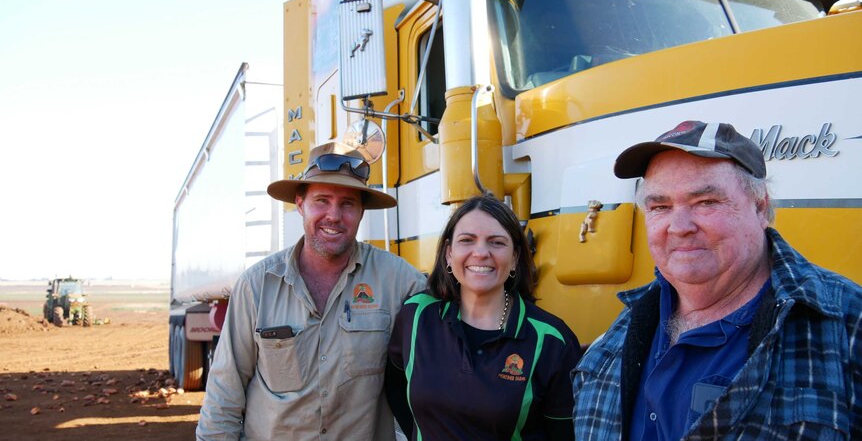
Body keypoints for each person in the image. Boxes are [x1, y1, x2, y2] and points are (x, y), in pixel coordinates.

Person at [572, 120, 862, 440]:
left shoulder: (847, 324)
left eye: (706, 202)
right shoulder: (613, 339)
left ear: (760, 207)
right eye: (660, 206)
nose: (679, 226)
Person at [197, 142, 426, 440]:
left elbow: (435, 381)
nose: (334, 215)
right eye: (322, 200)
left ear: (361, 212)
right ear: (300, 204)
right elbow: (224, 395)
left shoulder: (401, 283)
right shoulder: (256, 286)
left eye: (347, 203)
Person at [387, 195, 582, 440]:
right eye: (467, 240)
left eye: (496, 242)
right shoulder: (417, 315)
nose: (480, 252)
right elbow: (394, 386)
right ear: (449, 254)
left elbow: (565, 434)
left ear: (515, 258)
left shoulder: (552, 340)